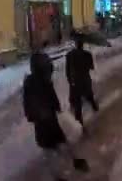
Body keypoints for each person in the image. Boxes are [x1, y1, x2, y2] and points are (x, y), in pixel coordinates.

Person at [23, 47, 89, 179]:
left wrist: (54, 110)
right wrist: (45, 113)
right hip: (45, 121)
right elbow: (34, 104)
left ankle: (70, 165)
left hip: (47, 120)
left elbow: (42, 99)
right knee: (54, 146)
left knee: (57, 144)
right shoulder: (38, 83)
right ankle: (64, 170)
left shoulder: (37, 82)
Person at [65, 34, 99, 134]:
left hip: (75, 82)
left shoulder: (69, 55)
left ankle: (80, 123)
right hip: (85, 80)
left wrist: (70, 81)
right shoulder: (87, 54)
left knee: (77, 104)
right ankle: (97, 113)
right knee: (90, 97)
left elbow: (67, 71)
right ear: (82, 45)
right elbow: (91, 67)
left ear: (75, 44)